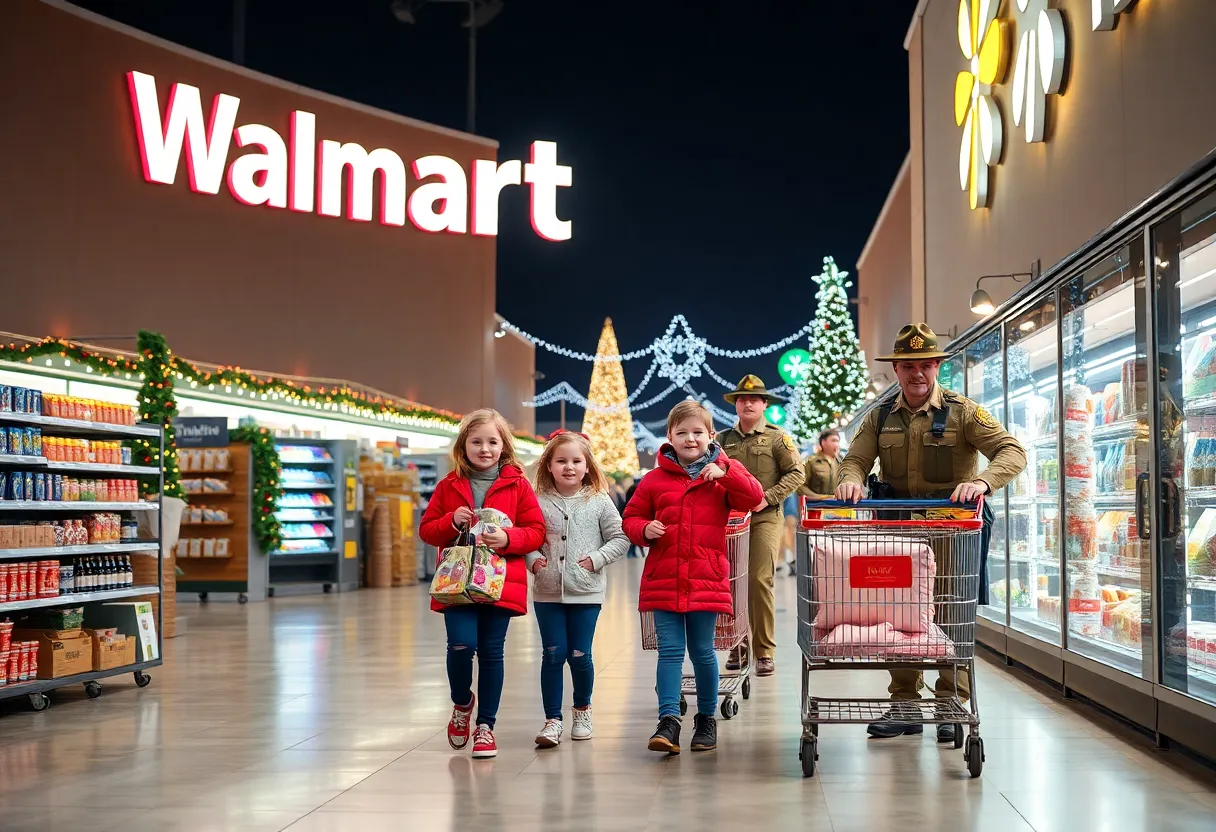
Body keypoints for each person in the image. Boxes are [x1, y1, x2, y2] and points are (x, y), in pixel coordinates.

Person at [835, 324, 1026, 744]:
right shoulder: (880, 416)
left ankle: (950, 702)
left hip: (951, 528)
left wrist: (983, 482)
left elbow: (1012, 451)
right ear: (897, 370)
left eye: (925, 365)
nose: (916, 373)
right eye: (907, 366)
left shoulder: (964, 412)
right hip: (898, 527)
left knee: (951, 611)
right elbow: (854, 460)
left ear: (937, 365)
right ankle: (903, 702)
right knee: (898, 613)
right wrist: (849, 480)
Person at [623, 400, 764, 754]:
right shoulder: (654, 480)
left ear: (710, 435)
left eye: (698, 432)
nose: (690, 439)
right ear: (669, 436)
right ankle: (668, 721)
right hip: (664, 576)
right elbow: (630, 517)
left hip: (705, 577)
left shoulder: (722, 474)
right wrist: (643, 529)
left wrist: (726, 471)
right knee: (670, 652)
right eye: (682, 432)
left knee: (703, 651)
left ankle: (706, 719)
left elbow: (753, 497)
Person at [419, 408, 547, 760]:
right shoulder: (449, 485)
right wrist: (449, 521)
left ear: (504, 446)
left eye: (492, 441)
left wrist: (507, 538)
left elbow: (536, 531)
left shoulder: (518, 485)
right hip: (456, 582)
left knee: (492, 653)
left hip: (501, 581)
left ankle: (485, 727)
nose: (485, 448)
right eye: (476, 441)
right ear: (464, 446)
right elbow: (427, 530)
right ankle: (462, 704)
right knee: (460, 645)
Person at [527, 430, 629, 748]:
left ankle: (582, 709)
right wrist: (533, 559)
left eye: (576, 461)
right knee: (553, 653)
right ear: (549, 466)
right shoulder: (537, 501)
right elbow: (526, 535)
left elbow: (621, 538)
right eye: (561, 461)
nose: (568, 467)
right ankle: (552, 719)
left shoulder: (598, 501)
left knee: (579, 654)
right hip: (547, 591)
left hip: (586, 592)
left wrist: (596, 559)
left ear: (587, 466)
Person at [716, 375, 806, 676]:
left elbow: (796, 473)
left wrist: (767, 498)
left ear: (764, 404)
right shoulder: (722, 441)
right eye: (742, 399)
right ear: (736, 404)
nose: (748, 403)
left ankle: (764, 651)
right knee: (731, 582)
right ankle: (738, 645)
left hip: (766, 516)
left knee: (757, 579)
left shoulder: (778, 438)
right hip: (729, 520)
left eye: (754, 399)